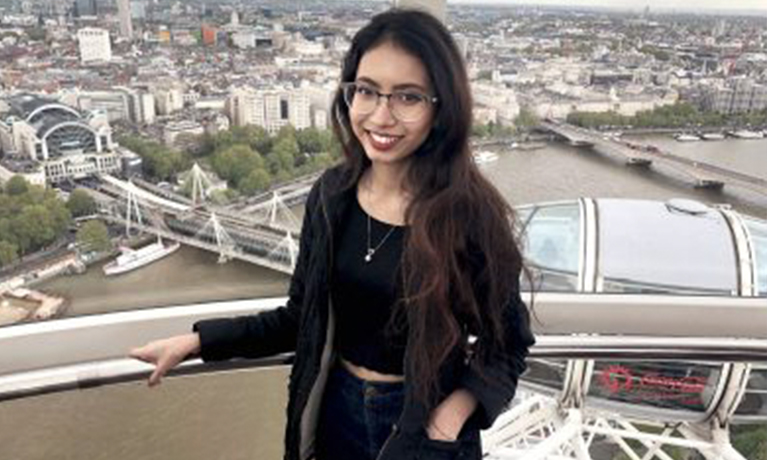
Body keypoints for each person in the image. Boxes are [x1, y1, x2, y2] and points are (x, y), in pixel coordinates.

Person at [130, 8, 535, 460]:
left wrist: (449, 419)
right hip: (334, 409)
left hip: (420, 425)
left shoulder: (469, 216)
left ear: (441, 108)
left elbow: (508, 343)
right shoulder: (331, 196)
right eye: (366, 91)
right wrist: (199, 341)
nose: (381, 116)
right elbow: (300, 318)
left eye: (408, 97)